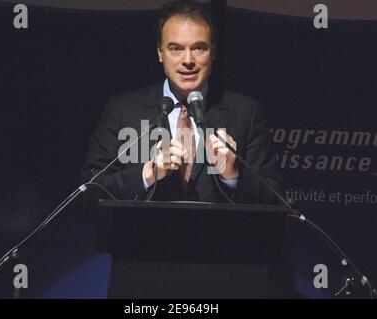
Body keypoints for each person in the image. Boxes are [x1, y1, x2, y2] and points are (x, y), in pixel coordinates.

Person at [80, 0, 292, 298]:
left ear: (213, 53)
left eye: (199, 48)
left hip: (227, 277)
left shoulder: (245, 112)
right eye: (176, 48)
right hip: (142, 277)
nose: (188, 60)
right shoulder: (121, 109)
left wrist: (233, 176)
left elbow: (277, 200)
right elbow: (90, 193)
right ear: (160, 52)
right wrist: (147, 173)